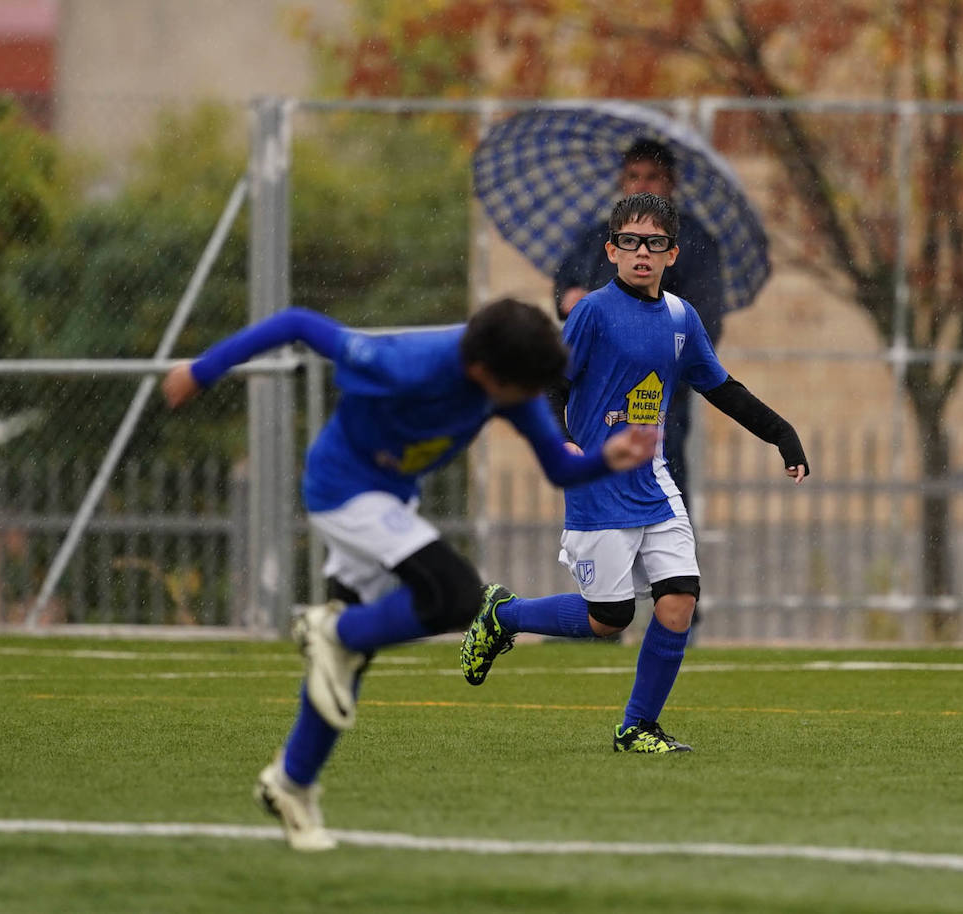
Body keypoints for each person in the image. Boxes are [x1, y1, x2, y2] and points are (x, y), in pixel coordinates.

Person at [162, 298, 657, 850]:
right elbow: (297, 323)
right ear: (484, 374)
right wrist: (200, 371)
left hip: (391, 500)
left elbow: (560, 467)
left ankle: (291, 783)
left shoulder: (505, 386)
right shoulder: (401, 363)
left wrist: (608, 459)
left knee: (345, 669)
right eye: (525, 389)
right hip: (342, 490)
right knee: (455, 595)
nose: (531, 403)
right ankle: (330, 630)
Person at [460, 193, 808, 753]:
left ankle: (637, 726)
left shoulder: (680, 316)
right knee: (610, 619)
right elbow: (551, 382)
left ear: (672, 253)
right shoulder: (591, 312)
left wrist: (781, 434)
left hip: (654, 480)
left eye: (653, 243)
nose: (640, 252)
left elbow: (719, 387)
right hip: (599, 481)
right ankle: (504, 614)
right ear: (611, 249)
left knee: (680, 599)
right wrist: (564, 440)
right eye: (629, 241)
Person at [553, 138, 725, 497]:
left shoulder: (693, 243)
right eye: (634, 176)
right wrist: (568, 296)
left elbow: (703, 322)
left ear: (671, 183)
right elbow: (566, 281)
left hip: (659, 391)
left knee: (662, 487)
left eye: (652, 176)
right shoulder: (599, 237)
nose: (642, 185)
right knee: (599, 486)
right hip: (597, 387)